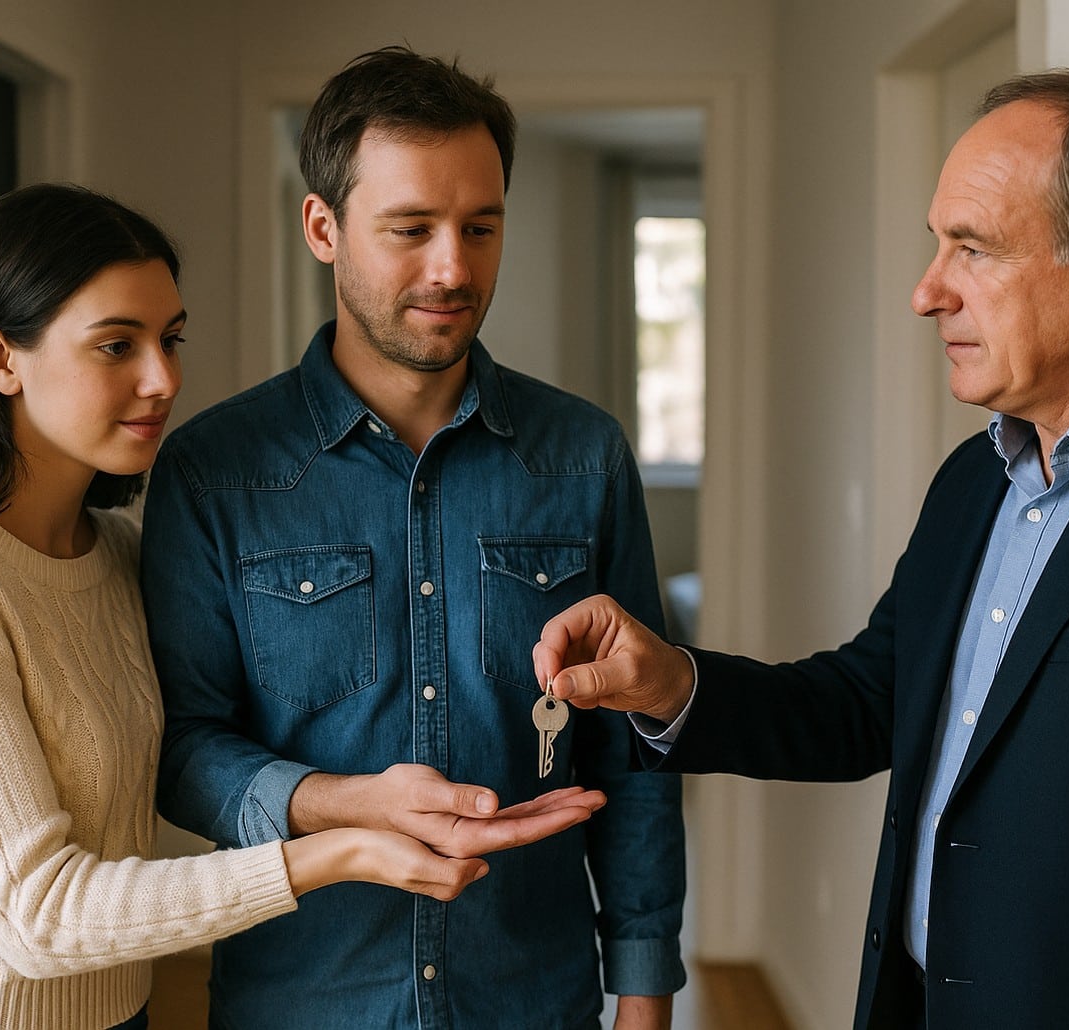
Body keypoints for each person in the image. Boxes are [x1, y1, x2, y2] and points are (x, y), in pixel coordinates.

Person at [535, 69, 1069, 1030]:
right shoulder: (975, 478)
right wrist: (672, 684)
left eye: (972, 248)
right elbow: (869, 701)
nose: (926, 291)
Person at [0, 182, 602, 1030]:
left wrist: (356, 805)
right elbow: (39, 916)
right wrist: (339, 849)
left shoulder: (117, 555)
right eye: (116, 345)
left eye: (170, 339)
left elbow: (183, 757)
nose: (162, 379)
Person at [140, 46, 686, 1029]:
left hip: (532, 999)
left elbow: (634, 747)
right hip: (303, 1003)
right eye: (411, 228)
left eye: (481, 227)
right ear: (323, 227)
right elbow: (182, 748)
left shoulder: (584, 457)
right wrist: (342, 803)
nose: (453, 268)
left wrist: (644, 992)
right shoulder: (213, 472)